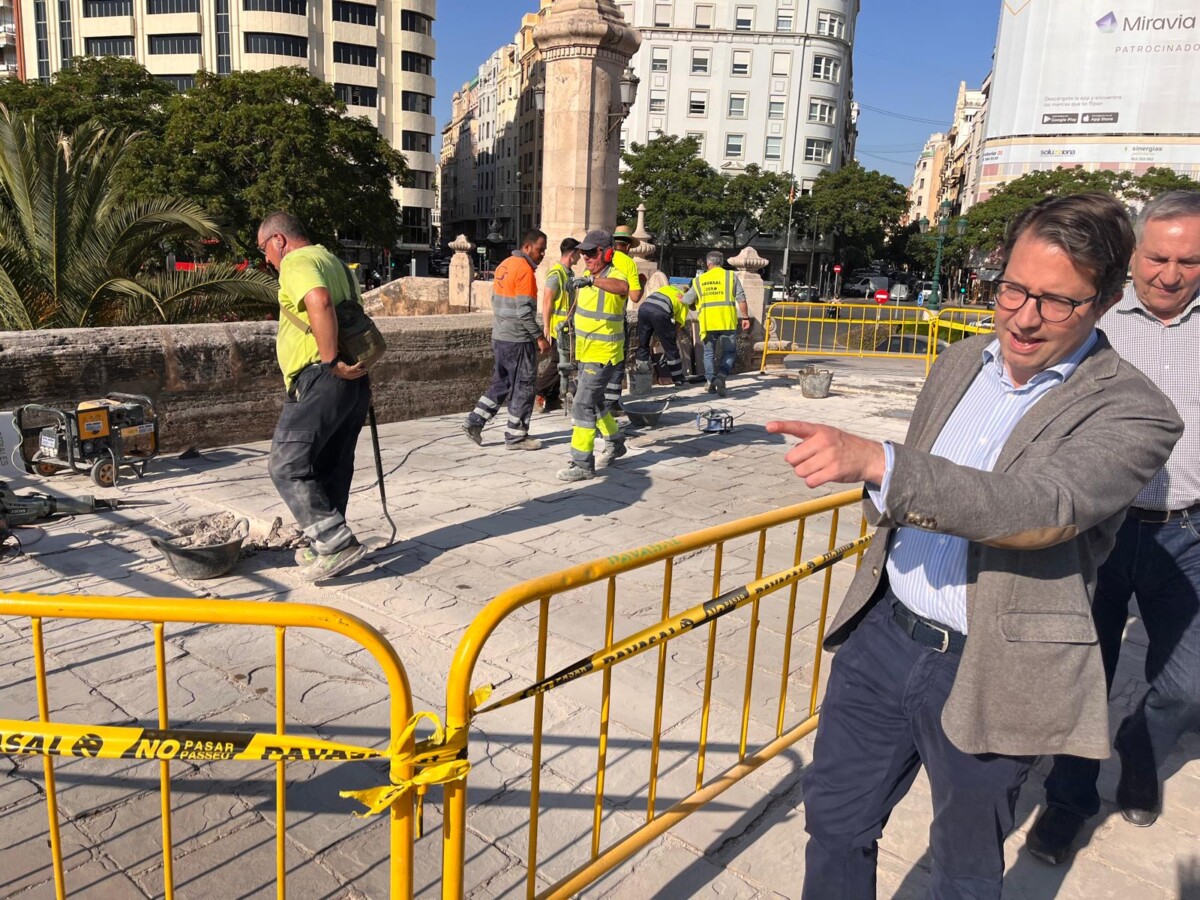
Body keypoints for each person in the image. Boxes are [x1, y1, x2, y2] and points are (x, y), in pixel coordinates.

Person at [767, 193, 1182, 898]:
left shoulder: (1135, 411)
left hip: (995, 667)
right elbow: (922, 487)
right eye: (1013, 288)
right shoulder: (960, 360)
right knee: (834, 824)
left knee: (963, 868)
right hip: (885, 637)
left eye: (1057, 301)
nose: (1024, 317)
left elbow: (1044, 508)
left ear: (1108, 301)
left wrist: (881, 463)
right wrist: (884, 481)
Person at [1026, 190, 1200, 864]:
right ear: (1134, 254)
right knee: (1081, 674)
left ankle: (1141, 744)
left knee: (1188, 683)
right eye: (1157, 258)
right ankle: (1068, 801)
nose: (1170, 275)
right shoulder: (1092, 318)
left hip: (1187, 533)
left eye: (1189, 261)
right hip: (1097, 528)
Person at [259, 211, 372, 582]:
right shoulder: (334, 262)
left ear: (279, 240)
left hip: (321, 376)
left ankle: (336, 543)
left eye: (264, 249)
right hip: (353, 382)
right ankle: (325, 544)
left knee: (286, 464)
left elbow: (319, 302)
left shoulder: (297, 261)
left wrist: (330, 361)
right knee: (330, 465)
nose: (266, 259)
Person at [463, 229, 550, 450]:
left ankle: (475, 421)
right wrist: (540, 337)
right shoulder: (525, 271)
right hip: (518, 340)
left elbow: (495, 300)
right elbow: (524, 312)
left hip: (500, 336)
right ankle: (516, 437)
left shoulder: (504, 265)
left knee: (501, 383)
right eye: (540, 249)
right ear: (527, 247)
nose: (542, 254)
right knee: (524, 386)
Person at [557, 229, 631, 483]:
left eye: (591, 252)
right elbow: (583, 311)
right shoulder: (587, 278)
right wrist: (565, 324)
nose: (586, 257)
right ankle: (615, 442)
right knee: (596, 402)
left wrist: (591, 281)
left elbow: (623, 287)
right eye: (583, 253)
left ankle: (582, 463)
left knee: (582, 404)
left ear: (606, 253)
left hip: (603, 354)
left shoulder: (613, 276)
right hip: (586, 352)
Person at [681, 251, 750, 397]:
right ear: (721, 262)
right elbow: (741, 298)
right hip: (727, 322)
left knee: (708, 353)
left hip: (708, 323)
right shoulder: (730, 276)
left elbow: (687, 300)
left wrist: (682, 296)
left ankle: (710, 381)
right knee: (729, 352)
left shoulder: (699, 280)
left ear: (708, 263)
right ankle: (721, 376)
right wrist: (745, 317)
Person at [534, 237, 581, 414]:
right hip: (558, 328)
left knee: (564, 362)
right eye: (579, 253)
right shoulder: (557, 273)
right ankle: (539, 391)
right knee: (557, 362)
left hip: (566, 327)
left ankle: (552, 398)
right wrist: (546, 326)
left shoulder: (569, 273)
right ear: (572, 254)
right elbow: (547, 300)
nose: (581, 257)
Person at [635, 283, 688, 386]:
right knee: (671, 348)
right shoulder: (684, 301)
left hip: (644, 308)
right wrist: (671, 339)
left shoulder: (667, 288)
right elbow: (678, 324)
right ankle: (678, 379)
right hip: (660, 312)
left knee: (643, 343)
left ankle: (642, 375)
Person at [612, 225, 643, 304]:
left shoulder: (601, 255)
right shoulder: (629, 262)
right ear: (628, 247)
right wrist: (642, 282)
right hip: (612, 309)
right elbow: (635, 297)